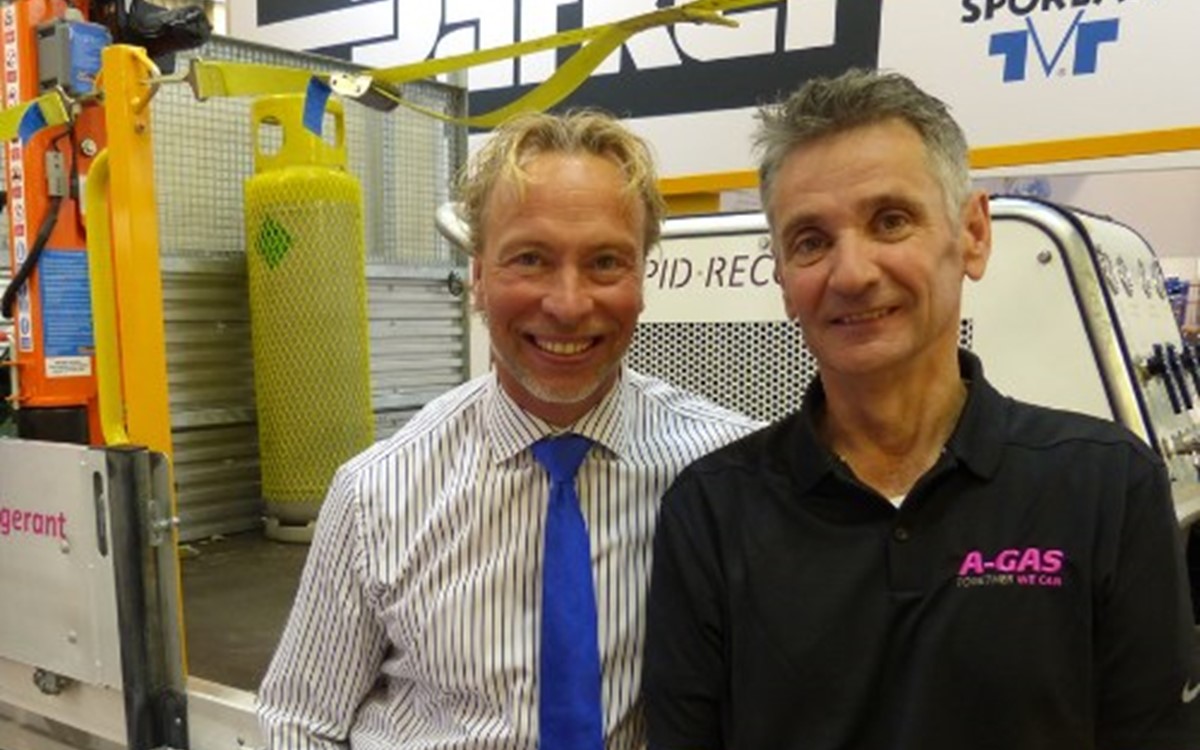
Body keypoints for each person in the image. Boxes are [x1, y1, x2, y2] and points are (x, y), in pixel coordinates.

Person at [643, 68, 1200, 750]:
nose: (852, 273)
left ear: (971, 234)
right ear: (784, 278)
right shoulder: (711, 511)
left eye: (890, 220)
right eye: (811, 240)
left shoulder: (1106, 488)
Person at [256, 109, 761, 750]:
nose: (569, 304)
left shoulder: (724, 474)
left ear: (641, 279)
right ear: (477, 279)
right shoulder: (377, 493)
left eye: (606, 261)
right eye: (530, 259)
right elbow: (301, 722)